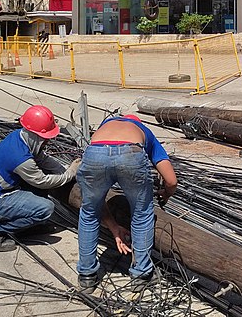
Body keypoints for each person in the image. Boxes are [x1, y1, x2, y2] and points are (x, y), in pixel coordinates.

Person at [76, 113, 177, 294]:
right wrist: (166, 195)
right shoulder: (143, 131)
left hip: (95, 153)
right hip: (131, 153)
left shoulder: (102, 130)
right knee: (142, 214)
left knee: (89, 213)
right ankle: (141, 275)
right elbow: (171, 181)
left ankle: (87, 276)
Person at [0, 105, 80, 252]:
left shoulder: (20, 137)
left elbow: (42, 158)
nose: (48, 141)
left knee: (40, 192)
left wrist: (63, 169)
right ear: (35, 134)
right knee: (46, 208)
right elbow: (42, 181)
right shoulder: (20, 158)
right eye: (45, 138)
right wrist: (69, 174)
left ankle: (29, 224)